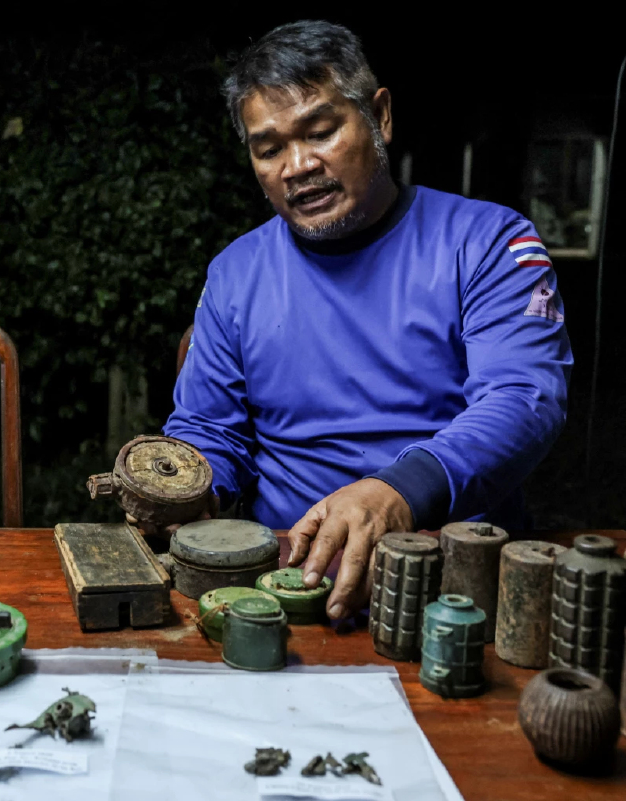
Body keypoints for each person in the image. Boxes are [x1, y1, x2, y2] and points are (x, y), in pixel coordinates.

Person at [164, 21, 571, 621]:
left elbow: (523, 397)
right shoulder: (236, 273)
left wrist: (401, 491)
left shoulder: (488, 242)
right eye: (269, 149)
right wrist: (185, 489)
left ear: (379, 117)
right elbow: (210, 430)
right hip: (282, 583)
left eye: (321, 132)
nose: (298, 165)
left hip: (456, 582)